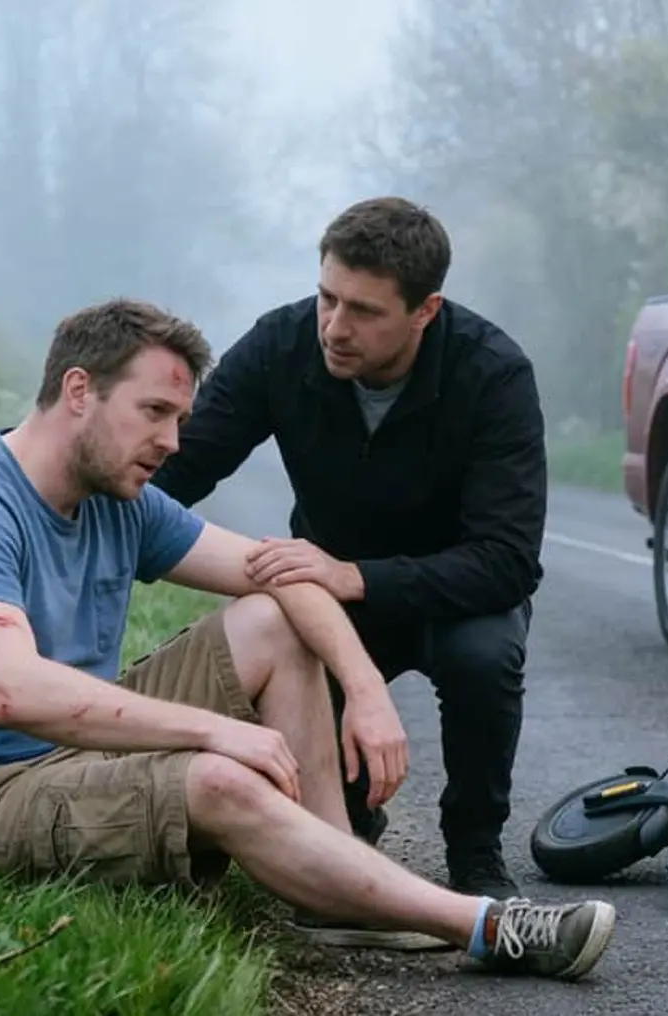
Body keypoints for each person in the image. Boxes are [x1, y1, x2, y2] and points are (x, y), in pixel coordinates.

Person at [0, 297, 614, 979]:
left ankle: (335, 888)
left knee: (275, 615)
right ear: (79, 391)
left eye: (179, 419)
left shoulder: (120, 500)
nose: (172, 441)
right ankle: (485, 926)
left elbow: (282, 575)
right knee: (220, 778)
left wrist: (364, 688)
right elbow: (10, 691)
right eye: (154, 412)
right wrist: (215, 732)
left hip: (67, 757)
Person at [149, 196, 545, 901]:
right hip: (329, 598)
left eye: (364, 311)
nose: (334, 327)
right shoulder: (281, 344)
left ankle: (475, 850)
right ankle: (351, 821)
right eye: (327, 297)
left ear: (425, 311)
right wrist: (73, 508)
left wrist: (357, 575)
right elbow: (180, 464)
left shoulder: (494, 373)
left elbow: (507, 561)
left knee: (484, 658)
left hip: (454, 595)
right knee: (295, 675)